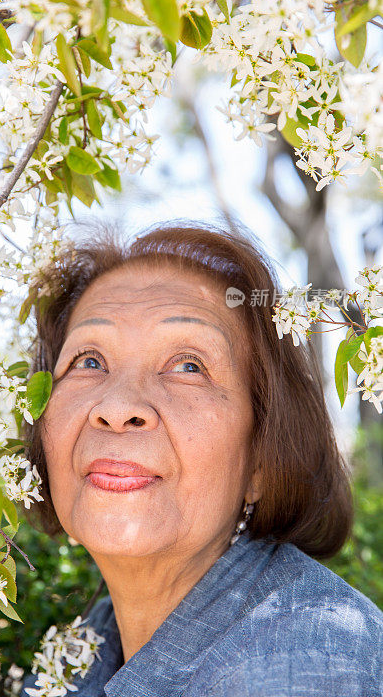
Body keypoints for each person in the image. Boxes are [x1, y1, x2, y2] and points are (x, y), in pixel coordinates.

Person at [20, 222, 383, 697]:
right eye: (89, 361)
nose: (117, 407)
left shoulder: (303, 662)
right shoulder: (93, 638)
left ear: (262, 460)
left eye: (189, 366)